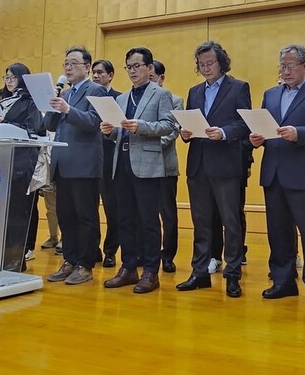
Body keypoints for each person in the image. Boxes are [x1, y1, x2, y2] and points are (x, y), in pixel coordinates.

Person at [251, 44, 305, 306]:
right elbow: (266, 128)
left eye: (290, 66)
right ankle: (283, 281)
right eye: (282, 66)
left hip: (304, 173)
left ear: (304, 67)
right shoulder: (270, 95)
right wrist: (257, 139)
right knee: (278, 231)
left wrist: (299, 134)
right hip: (274, 172)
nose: (285, 71)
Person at [177, 41, 251, 298]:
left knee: (230, 221)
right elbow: (188, 122)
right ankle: (199, 272)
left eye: (210, 63)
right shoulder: (194, 91)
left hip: (226, 163)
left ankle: (232, 274)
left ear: (222, 62)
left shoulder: (239, 87)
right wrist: (184, 133)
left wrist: (223, 132)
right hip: (198, 164)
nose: (206, 68)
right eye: (201, 64)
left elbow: (245, 124)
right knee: (201, 221)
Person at [100, 47, 176, 294]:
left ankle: (151, 272)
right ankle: (128, 267)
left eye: (136, 66)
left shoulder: (160, 94)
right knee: (124, 219)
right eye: (128, 67)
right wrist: (109, 131)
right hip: (121, 164)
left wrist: (141, 126)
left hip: (148, 165)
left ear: (149, 68)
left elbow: (167, 125)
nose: (132, 71)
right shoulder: (121, 99)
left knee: (148, 220)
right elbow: (119, 131)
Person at [44, 46, 107, 286]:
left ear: (87, 67)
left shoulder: (97, 90)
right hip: (62, 164)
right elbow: (49, 125)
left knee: (85, 216)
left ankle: (85, 264)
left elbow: (94, 122)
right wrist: (53, 102)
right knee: (66, 216)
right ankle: (69, 260)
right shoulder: (65, 93)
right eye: (65, 64)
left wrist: (68, 109)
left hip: (84, 164)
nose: (68, 68)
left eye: (73, 63)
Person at [0, 63, 45, 272]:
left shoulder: (30, 102)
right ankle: (0, 255)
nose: (9, 81)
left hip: (22, 162)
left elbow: (34, 130)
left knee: (17, 213)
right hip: (0, 162)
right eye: (6, 77)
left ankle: (16, 259)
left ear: (23, 78)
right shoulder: (3, 101)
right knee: (1, 213)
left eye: (13, 77)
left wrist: (5, 123)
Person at [151, 59, 182, 274]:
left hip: (165, 165)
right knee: (144, 213)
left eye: (152, 77)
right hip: (140, 166)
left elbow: (173, 131)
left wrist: (149, 145)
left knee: (168, 214)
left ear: (161, 78)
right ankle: (148, 253)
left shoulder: (176, 100)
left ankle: (168, 255)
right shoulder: (138, 98)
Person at [92, 59, 122, 268]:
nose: (95, 76)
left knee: (113, 208)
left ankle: (110, 250)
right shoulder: (86, 97)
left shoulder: (120, 98)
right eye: (93, 72)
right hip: (88, 159)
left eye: (100, 72)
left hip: (110, 159)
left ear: (110, 75)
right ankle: (91, 249)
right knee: (87, 208)